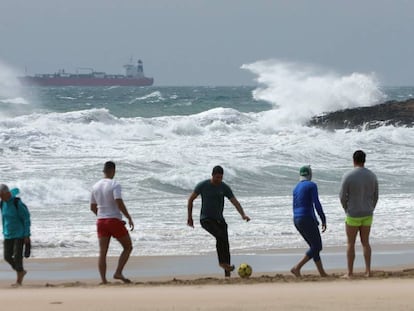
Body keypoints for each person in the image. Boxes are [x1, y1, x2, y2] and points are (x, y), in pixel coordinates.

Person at [187, 165, 250, 277]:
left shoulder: (224, 187)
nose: (218, 180)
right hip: (206, 219)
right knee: (220, 236)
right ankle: (222, 263)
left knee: (225, 244)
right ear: (212, 175)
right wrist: (190, 217)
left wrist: (243, 215)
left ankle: (227, 273)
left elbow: (235, 202)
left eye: (220, 177)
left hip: (220, 220)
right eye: (217, 177)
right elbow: (191, 199)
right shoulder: (203, 185)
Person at [90, 161, 134, 284]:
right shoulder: (115, 184)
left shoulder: (95, 186)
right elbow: (118, 201)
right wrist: (128, 217)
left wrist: (102, 216)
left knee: (102, 252)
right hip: (113, 220)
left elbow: (92, 207)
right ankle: (118, 272)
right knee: (128, 247)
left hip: (101, 221)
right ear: (113, 170)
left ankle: (104, 280)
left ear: (104, 171)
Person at [340, 150, 378, 278]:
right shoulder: (372, 175)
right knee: (365, 242)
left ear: (353, 160)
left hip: (353, 213)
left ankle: (350, 272)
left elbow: (342, 196)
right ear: (364, 160)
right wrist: (371, 208)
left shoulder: (348, 175)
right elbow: (376, 195)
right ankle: (368, 271)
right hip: (367, 213)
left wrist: (346, 209)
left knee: (351, 243)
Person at [290, 166, 328, 278]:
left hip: (297, 219)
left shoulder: (296, 188)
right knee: (317, 246)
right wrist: (323, 219)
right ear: (310, 175)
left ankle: (322, 273)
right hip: (306, 218)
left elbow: (296, 205)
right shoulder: (312, 185)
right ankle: (297, 268)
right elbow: (316, 203)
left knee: (314, 246)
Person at [0, 184, 31, 286]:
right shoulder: (2, 203)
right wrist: (4, 231)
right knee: (7, 257)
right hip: (8, 234)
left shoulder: (17, 203)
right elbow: (4, 219)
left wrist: (27, 235)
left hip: (19, 233)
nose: (0, 197)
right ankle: (21, 271)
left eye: (1, 195)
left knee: (18, 257)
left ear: (7, 193)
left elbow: (26, 219)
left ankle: (19, 281)